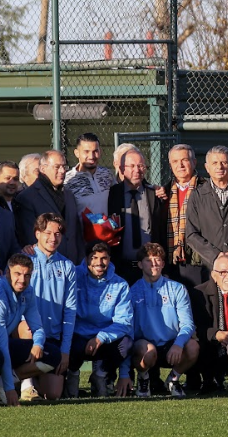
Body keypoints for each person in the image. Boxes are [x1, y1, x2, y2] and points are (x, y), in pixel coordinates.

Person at [24, 213, 78, 403]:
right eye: (48, 232)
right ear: (37, 233)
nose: (53, 238)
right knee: (25, 326)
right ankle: (26, 384)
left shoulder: (68, 266)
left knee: (53, 394)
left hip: (52, 336)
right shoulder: (24, 259)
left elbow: (70, 310)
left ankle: (28, 379)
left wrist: (65, 351)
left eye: (58, 234)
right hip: (26, 332)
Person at [0, 253, 40, 406]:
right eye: (17, 274)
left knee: (51, 355)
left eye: (27, 275)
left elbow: (38, 326)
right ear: (8, 273)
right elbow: (1, 343)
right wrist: (10, 388)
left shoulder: (28, 291)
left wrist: (38, 344)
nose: (22, 280)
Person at [71, 242, 134, 398]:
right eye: (94, 258)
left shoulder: (120, 284)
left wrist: (100, 337)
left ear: (110, 259)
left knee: (126, 343)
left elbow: (124, 322)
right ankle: (72, 374)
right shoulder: (73, 276)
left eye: (104, 258)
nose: (99, 263)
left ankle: (100, 375)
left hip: (105, 337)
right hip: (78, 335)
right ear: (86, 259)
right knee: (65, 339)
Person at [108, 147, 168, 286]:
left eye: (141, 165)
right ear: (122, 169)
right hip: (120, 268)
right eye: (132, 166)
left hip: (150, 269)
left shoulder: (154, 194)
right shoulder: (111, 195)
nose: (137, 170)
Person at [16, 149, 81, 263]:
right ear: (43, 169)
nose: (62, 171)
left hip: (72, 264)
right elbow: (29, 236)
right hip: (44, 264)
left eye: (64, 166)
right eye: (57, 167)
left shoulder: (69, 195)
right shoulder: (27, 197)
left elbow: (76, 232)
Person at [190, 252, 228, 395]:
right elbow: (195, 326)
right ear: (214, 275)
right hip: (210, 344)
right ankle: (207, 380)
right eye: (223, 272)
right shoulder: (199, 293)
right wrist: (217, 334)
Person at [188, 145, 228, 279]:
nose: (219, 167)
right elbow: (191, 234)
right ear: (207, 167)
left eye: (224, 162)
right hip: (210, 266)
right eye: (214, 163)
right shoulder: (197, 196)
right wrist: (216, 255)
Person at [156, 144, 201, 287]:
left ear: (194, 162)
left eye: (185, 160)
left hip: (197, 260)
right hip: (170, 259)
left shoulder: (205, 188)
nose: (180, 165)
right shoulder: (164, 192)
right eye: (175, 162)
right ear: (170, 165)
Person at [65, 132, 116, 218]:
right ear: (77, 153)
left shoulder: (107, 175)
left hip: (108, 230)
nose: (91, 156)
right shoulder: (68, 181)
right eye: (86, 152)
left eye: (95, 151)